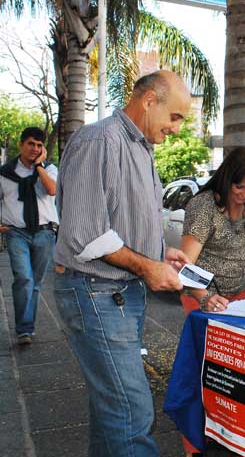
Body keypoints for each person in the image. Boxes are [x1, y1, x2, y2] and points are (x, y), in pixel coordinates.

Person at [53, 70, 191, 457]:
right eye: (175, 116)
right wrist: (148, 268)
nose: (177, 129)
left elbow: (118, 223)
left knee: (112, 409)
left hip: (115, 294)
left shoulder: (140, 148)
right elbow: (84, 232)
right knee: (131, 411)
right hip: (95, 293)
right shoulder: (100, 140)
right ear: (149, 100)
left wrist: (157, 254)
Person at [178, 146, 245, 456]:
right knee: (203, 371)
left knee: (239, 371)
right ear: (226, 179)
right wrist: (206, 297)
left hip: (241, 293)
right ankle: (193, 444)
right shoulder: (203, 206)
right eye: (239, 185)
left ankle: (233, 434)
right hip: (203, 295)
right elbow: (185, 264)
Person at [0, 127, 58, 346]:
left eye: (39, 145)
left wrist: (39, 167)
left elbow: (52, 191)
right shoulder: (5, 173)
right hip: (17, 233)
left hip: (44, 233)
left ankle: (27, 326)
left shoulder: (50, 170)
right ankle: (24, 329)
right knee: (24, 278)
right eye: (31, 144)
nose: (35, 148)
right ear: (22, 144)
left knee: (36, 283)